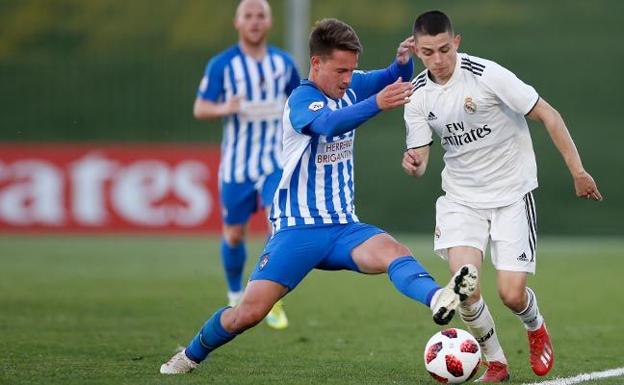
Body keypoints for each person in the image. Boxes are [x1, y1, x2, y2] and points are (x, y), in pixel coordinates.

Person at [160, 17, 478, 375]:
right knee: (246, 315)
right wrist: (376, 103)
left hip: (343, 227)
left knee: (394, 252)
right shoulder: (301, 99)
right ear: (316, 63)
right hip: (298, 231)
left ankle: (440, 298)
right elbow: (327, 124)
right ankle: (188, 356)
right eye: (341, 70)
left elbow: (390, 77)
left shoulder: (352, 87)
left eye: (352, 70)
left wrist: (402, 61)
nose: (347, 78)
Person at [402, 10, 603, 383]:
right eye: (428, 52)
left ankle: (535, 324)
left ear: (456, 42)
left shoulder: (487, 75)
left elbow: (549, 114)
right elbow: (421, 161)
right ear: (416, 50)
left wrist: (578, 171)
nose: (438, 60)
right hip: (461, 198)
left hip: (512, 194)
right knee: (467, 285)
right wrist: (413, 163)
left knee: (511, 294)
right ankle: (496, 361)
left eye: (445, 49)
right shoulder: (416, 96)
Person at [193, 0, 301, 330]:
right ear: (237, 22)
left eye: (261, 16)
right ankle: (234, 293)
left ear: (269, 23)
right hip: (238, 166)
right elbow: (201, 108)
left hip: (274, 162)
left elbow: (299, 100)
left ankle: (270, 298)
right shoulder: (223, 65)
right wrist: (225, 107)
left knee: (277, 225)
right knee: (235, 234)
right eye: (249, 16)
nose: (255, 21)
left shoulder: (283, 63)